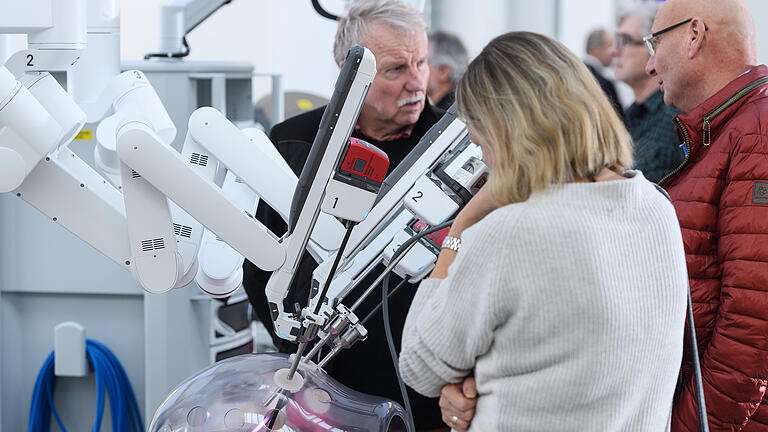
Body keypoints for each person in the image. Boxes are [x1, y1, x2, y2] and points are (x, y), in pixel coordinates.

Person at [399, 31, 689, 431]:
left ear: (506, 128)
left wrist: (462, 226)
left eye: (476, 127)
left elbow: (419, 365)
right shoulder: (655, 207)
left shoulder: (510, 233)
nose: (474, 143)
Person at [241, 1, 447, 430]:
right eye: (395, 70)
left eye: (422, 62)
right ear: (349, 73)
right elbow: (261, 266)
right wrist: (304, 363)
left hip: (436, 388)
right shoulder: (295, 143)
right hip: (329, 385)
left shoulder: (452, 149)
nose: (417, 82)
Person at [644, 0, 768, 430]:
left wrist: (691, 426)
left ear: (694, 35)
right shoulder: (734, 128)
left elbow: (754, 327)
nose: (649, 64)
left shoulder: (757, 133)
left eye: (654, 42)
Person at [612, 5, 684, 183]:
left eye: (625, 40)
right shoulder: (628, 115)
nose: (614, 51)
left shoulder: (676, 119)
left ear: (654, 47)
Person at [584, 28, 624, 117]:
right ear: (596, 50)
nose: (614, 51)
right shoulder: (603, 83)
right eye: (610, 46)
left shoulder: (572, 74)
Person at [427, 30, 468, 110]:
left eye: (421, 62)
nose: (413, 71)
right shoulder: (460, 107)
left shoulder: (448, 117)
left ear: (443, 71)